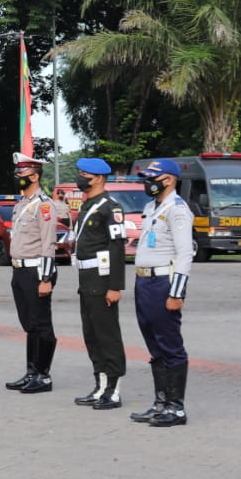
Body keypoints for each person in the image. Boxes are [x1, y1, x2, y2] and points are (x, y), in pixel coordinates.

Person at [131, 158, 195, 427]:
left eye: (152, 177)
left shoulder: (178, 210)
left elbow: (185, 254)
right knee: (154, 345)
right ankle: (160, 403)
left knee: (171, 346)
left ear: (168, 179)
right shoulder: (151, 206)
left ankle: (176, 408)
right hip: (144, 282)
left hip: (163, 284)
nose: (148, 182)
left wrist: (177, 294)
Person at [69, 157, 127, 409]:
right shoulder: (87, 205)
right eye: (80, 173)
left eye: (86, 175)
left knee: (107, 335)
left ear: (99, 178)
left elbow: (117, 248)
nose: (81, 178)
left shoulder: (109, 207)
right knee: (91, 335)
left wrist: (115, 286)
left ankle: (113, 390)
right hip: (86, 278)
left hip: (103, 280)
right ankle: (100, 385)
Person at [4, 152, 59, 393]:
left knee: (41, 324)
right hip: (20, 271)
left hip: (37, 271)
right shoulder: (21, 204)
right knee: (29, 324)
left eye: (23, 174)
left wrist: (46, 278)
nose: (18, 177)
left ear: (35, 176)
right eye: (17, 173)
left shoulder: (44, 205)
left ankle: (43, 376)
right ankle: (31, 371)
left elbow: (48, 244)